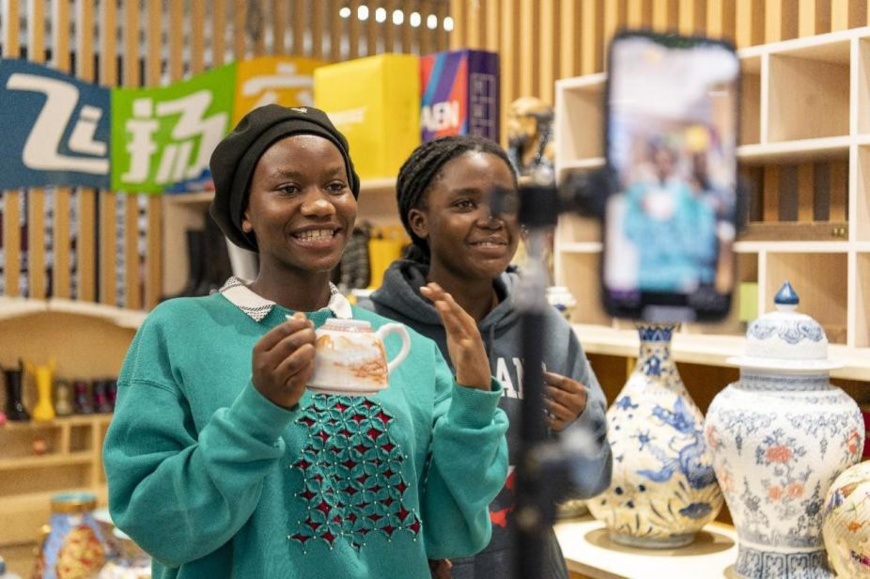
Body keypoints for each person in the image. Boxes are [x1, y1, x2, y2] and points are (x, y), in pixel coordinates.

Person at [103, 106, 509, 579]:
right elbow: (155, 525)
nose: (320, 205)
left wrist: (475, 403)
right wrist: (257, 412)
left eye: (336, 186)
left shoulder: (407, 351)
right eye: (288, 188)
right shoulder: (179, 332)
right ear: (246, 213)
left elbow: (448, 535)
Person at [363, 135, 612, 579]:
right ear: (420, 222)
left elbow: (588, 484)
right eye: (464, 204)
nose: (492, 219)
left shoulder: (546, 329)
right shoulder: (375, 332)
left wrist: (578, 427)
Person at [622, 140, 717, 292]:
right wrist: (644, 212)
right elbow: (629, 230)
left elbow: (703, 229)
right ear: (651, 163)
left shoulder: (686, 193)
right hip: (647, 272)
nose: (662, 166)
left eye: (667, 161)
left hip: (679, 271)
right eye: (658, 161)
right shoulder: (640, 193)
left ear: (673, 163)